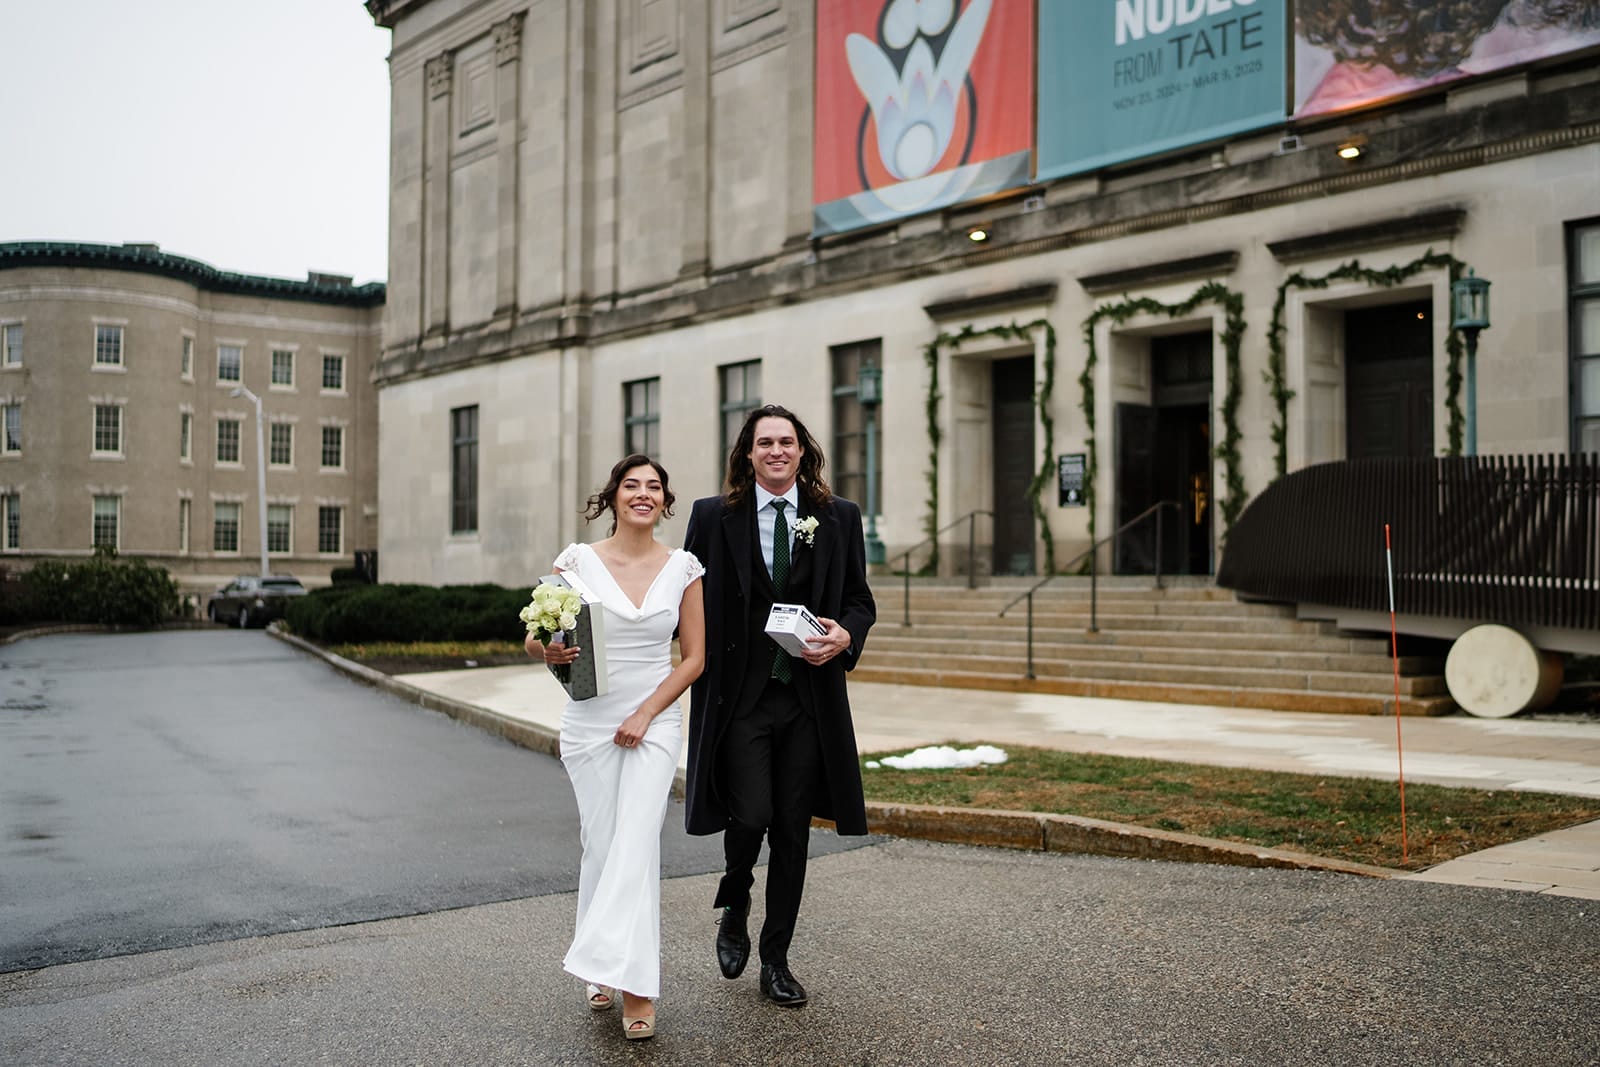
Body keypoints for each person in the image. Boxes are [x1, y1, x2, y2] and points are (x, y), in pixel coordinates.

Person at [683, 404, 877, 1008]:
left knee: (793, 832)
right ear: (747, 453)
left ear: (802, 451)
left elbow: (859, 601)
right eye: (764, 442)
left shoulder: (838, 517)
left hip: (808, 701)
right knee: (750, 815)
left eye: (786, 442)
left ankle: (776, 960)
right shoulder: (713, 517)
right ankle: (735, 895)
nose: (775, 451)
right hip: (739, 698)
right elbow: (681, 599)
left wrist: (845, 635)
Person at [529, 454, 705, 1041]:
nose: (643, 494)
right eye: (632, 485)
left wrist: (646, 713)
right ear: (612, 497)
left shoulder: (684, 568)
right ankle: (598, 965)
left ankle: (638, 987)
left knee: (635, 845)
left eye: (654, 486)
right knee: (601, 844)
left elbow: (695, 659)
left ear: (664, 501)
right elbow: (536, 635)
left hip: (653, 721)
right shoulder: (575, 562)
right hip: (588, 721)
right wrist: (546, 652)